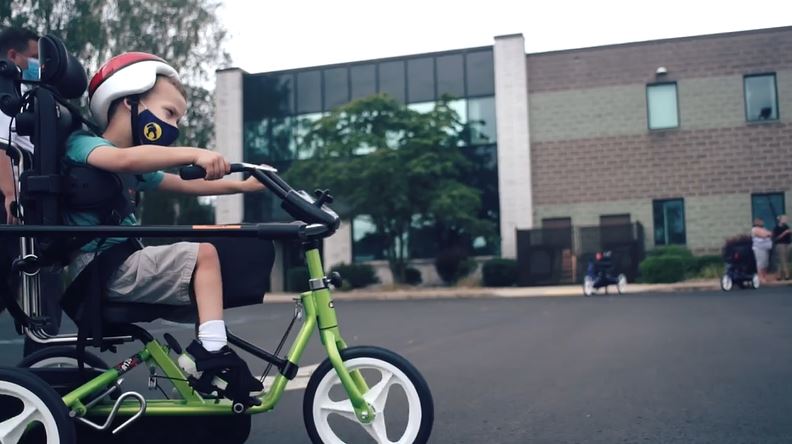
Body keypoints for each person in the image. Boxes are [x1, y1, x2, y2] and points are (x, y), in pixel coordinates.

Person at [66, 52, 266, 397]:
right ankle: (212, 352)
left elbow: (187, 185)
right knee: (205, 254)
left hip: (120, 264)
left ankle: (208, 358)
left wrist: (245, 184)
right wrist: (194, 153)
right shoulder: (84, 145)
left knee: (225, 263)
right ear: (128, 101)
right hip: (101, 269)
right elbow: (123, 158)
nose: (173, 126)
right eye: (169, 113)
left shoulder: (138, 168)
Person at [751, 218, 773, 283]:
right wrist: (767, 234)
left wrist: (768, 234)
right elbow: (763, 235)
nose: (762, 222)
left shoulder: (764, 229)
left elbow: (770, 234)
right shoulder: (754, 229)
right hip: (759, 249)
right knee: (760, 263)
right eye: (760, 221)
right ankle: (760, 277)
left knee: (765, 263)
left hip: (766, 248)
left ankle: (764, 276)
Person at [773, 215, 790, 280]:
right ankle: (787, 275)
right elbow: (776, 238)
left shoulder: (786, 226)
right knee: (783, 259)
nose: (785, 220)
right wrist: (784, 233)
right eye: (784, 219)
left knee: (781, 260)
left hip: (787, 244)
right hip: (780, 244)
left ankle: (778, 275)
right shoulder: (776, 228)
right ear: (780, 220)